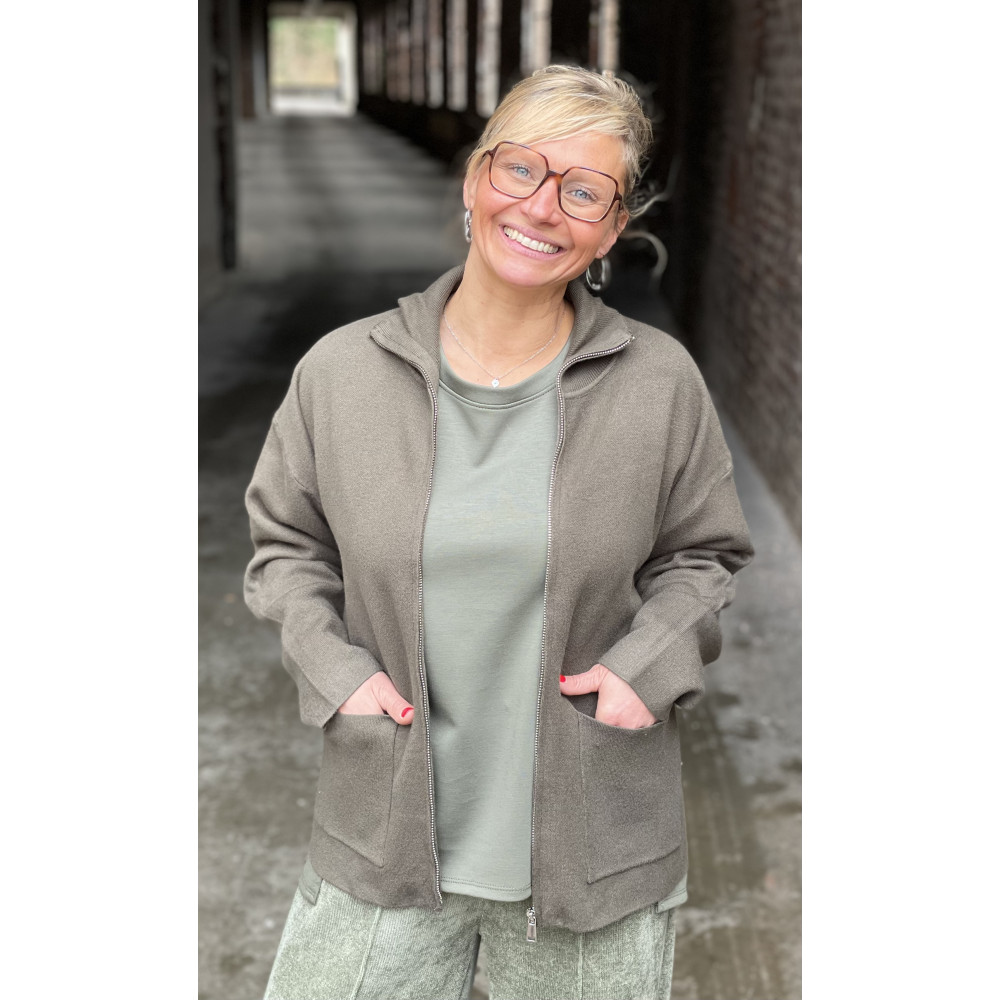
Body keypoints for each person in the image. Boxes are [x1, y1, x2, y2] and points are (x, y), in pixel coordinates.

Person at [244, 65, 753, 1000]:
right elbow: (287, 545)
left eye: (584, 190)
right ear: (476, 179)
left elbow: (704, 553)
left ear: (612, 228)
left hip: (595, 848)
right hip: (382, 829)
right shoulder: (341, 372)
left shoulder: (658, 383)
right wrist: (334, 670)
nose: (542, 206)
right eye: (522, 168)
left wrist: (647, 667)